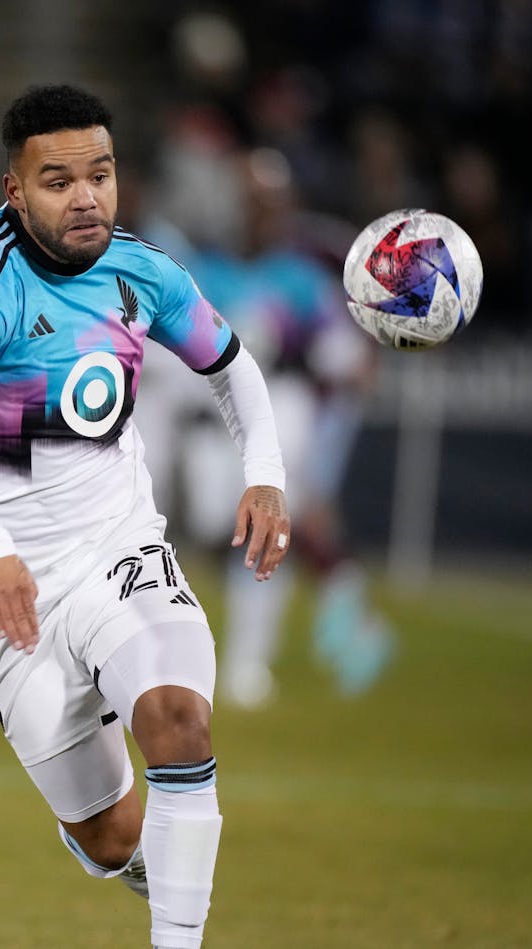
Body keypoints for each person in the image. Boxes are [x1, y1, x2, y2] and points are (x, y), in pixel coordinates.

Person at [0, 84, 290, 949]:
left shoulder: (142, 269)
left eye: (101, 175)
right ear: (15, 191)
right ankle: (119, 849)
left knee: (179, 722)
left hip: (121, 547)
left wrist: (263, 473)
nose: (86, 197)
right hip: (16, 587)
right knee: (111, 835)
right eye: (58, 181)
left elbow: (231, 367)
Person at [140, 143, 392, 709]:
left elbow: (342, 357)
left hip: (277, 417)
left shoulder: (302, 280)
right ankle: (340, 595)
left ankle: (249, 664)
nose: (261, 213)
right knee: (201, 532)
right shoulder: (197, 269)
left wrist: (364, 355)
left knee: (264, 535)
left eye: (272, 202)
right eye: (253, 200)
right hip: (201, 425)